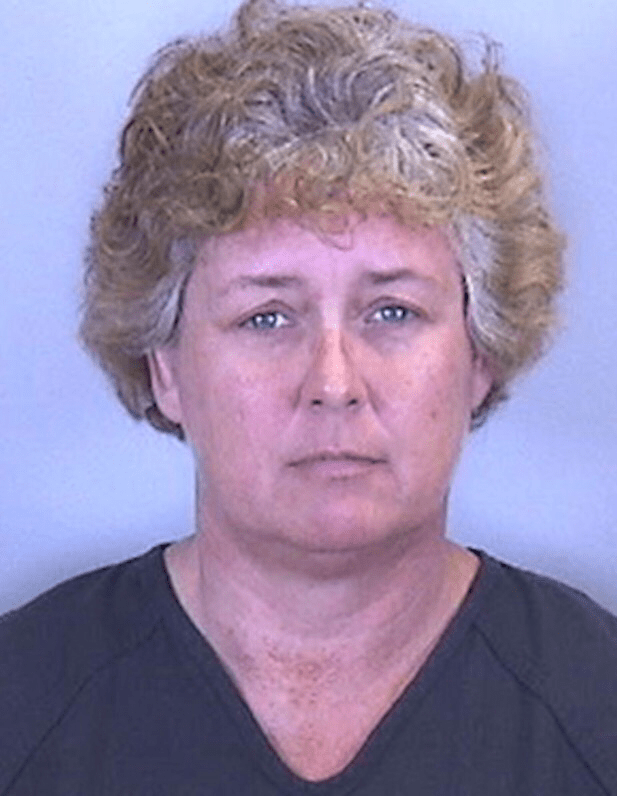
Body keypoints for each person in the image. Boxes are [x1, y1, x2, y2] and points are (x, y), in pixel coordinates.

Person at [1, 0, 616, 792]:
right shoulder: (22, 708)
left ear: (479, 355)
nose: (333, 383)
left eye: (392, 311)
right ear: (165, 368)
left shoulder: (595, 711)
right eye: (266, 317)